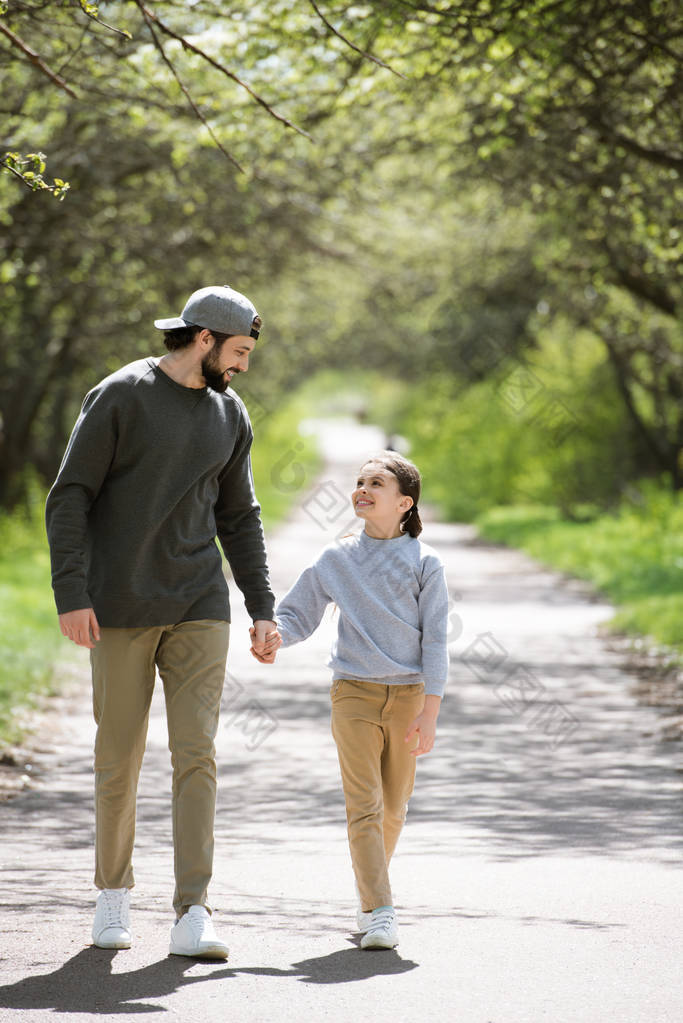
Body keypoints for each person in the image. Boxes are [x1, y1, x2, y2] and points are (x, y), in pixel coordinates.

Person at [45, 284, 278, 960]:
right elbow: (70, 498)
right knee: (118, 752)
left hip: (199, 602)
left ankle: (193, 909)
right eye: (236, 352)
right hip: (117, 603)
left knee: (196, 752)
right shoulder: (120, 395)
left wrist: (261, 606)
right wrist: (71, 591)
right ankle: (113, 894)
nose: (240, 367)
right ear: (202, 338)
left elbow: (239, 515)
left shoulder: (229, 415)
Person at [252, 452, 449, 950]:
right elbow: (298, 614)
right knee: (364, 805)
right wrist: (276, 637)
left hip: (407, 698)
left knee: (395, 808)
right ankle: (379, 910)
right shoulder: (335, 558)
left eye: (376, 483)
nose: (362, 489)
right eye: (359, 482)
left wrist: (430, 711)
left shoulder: (425, 562)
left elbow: (437, 642)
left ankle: (369, 895)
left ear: (404, 502)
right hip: (353, 694)